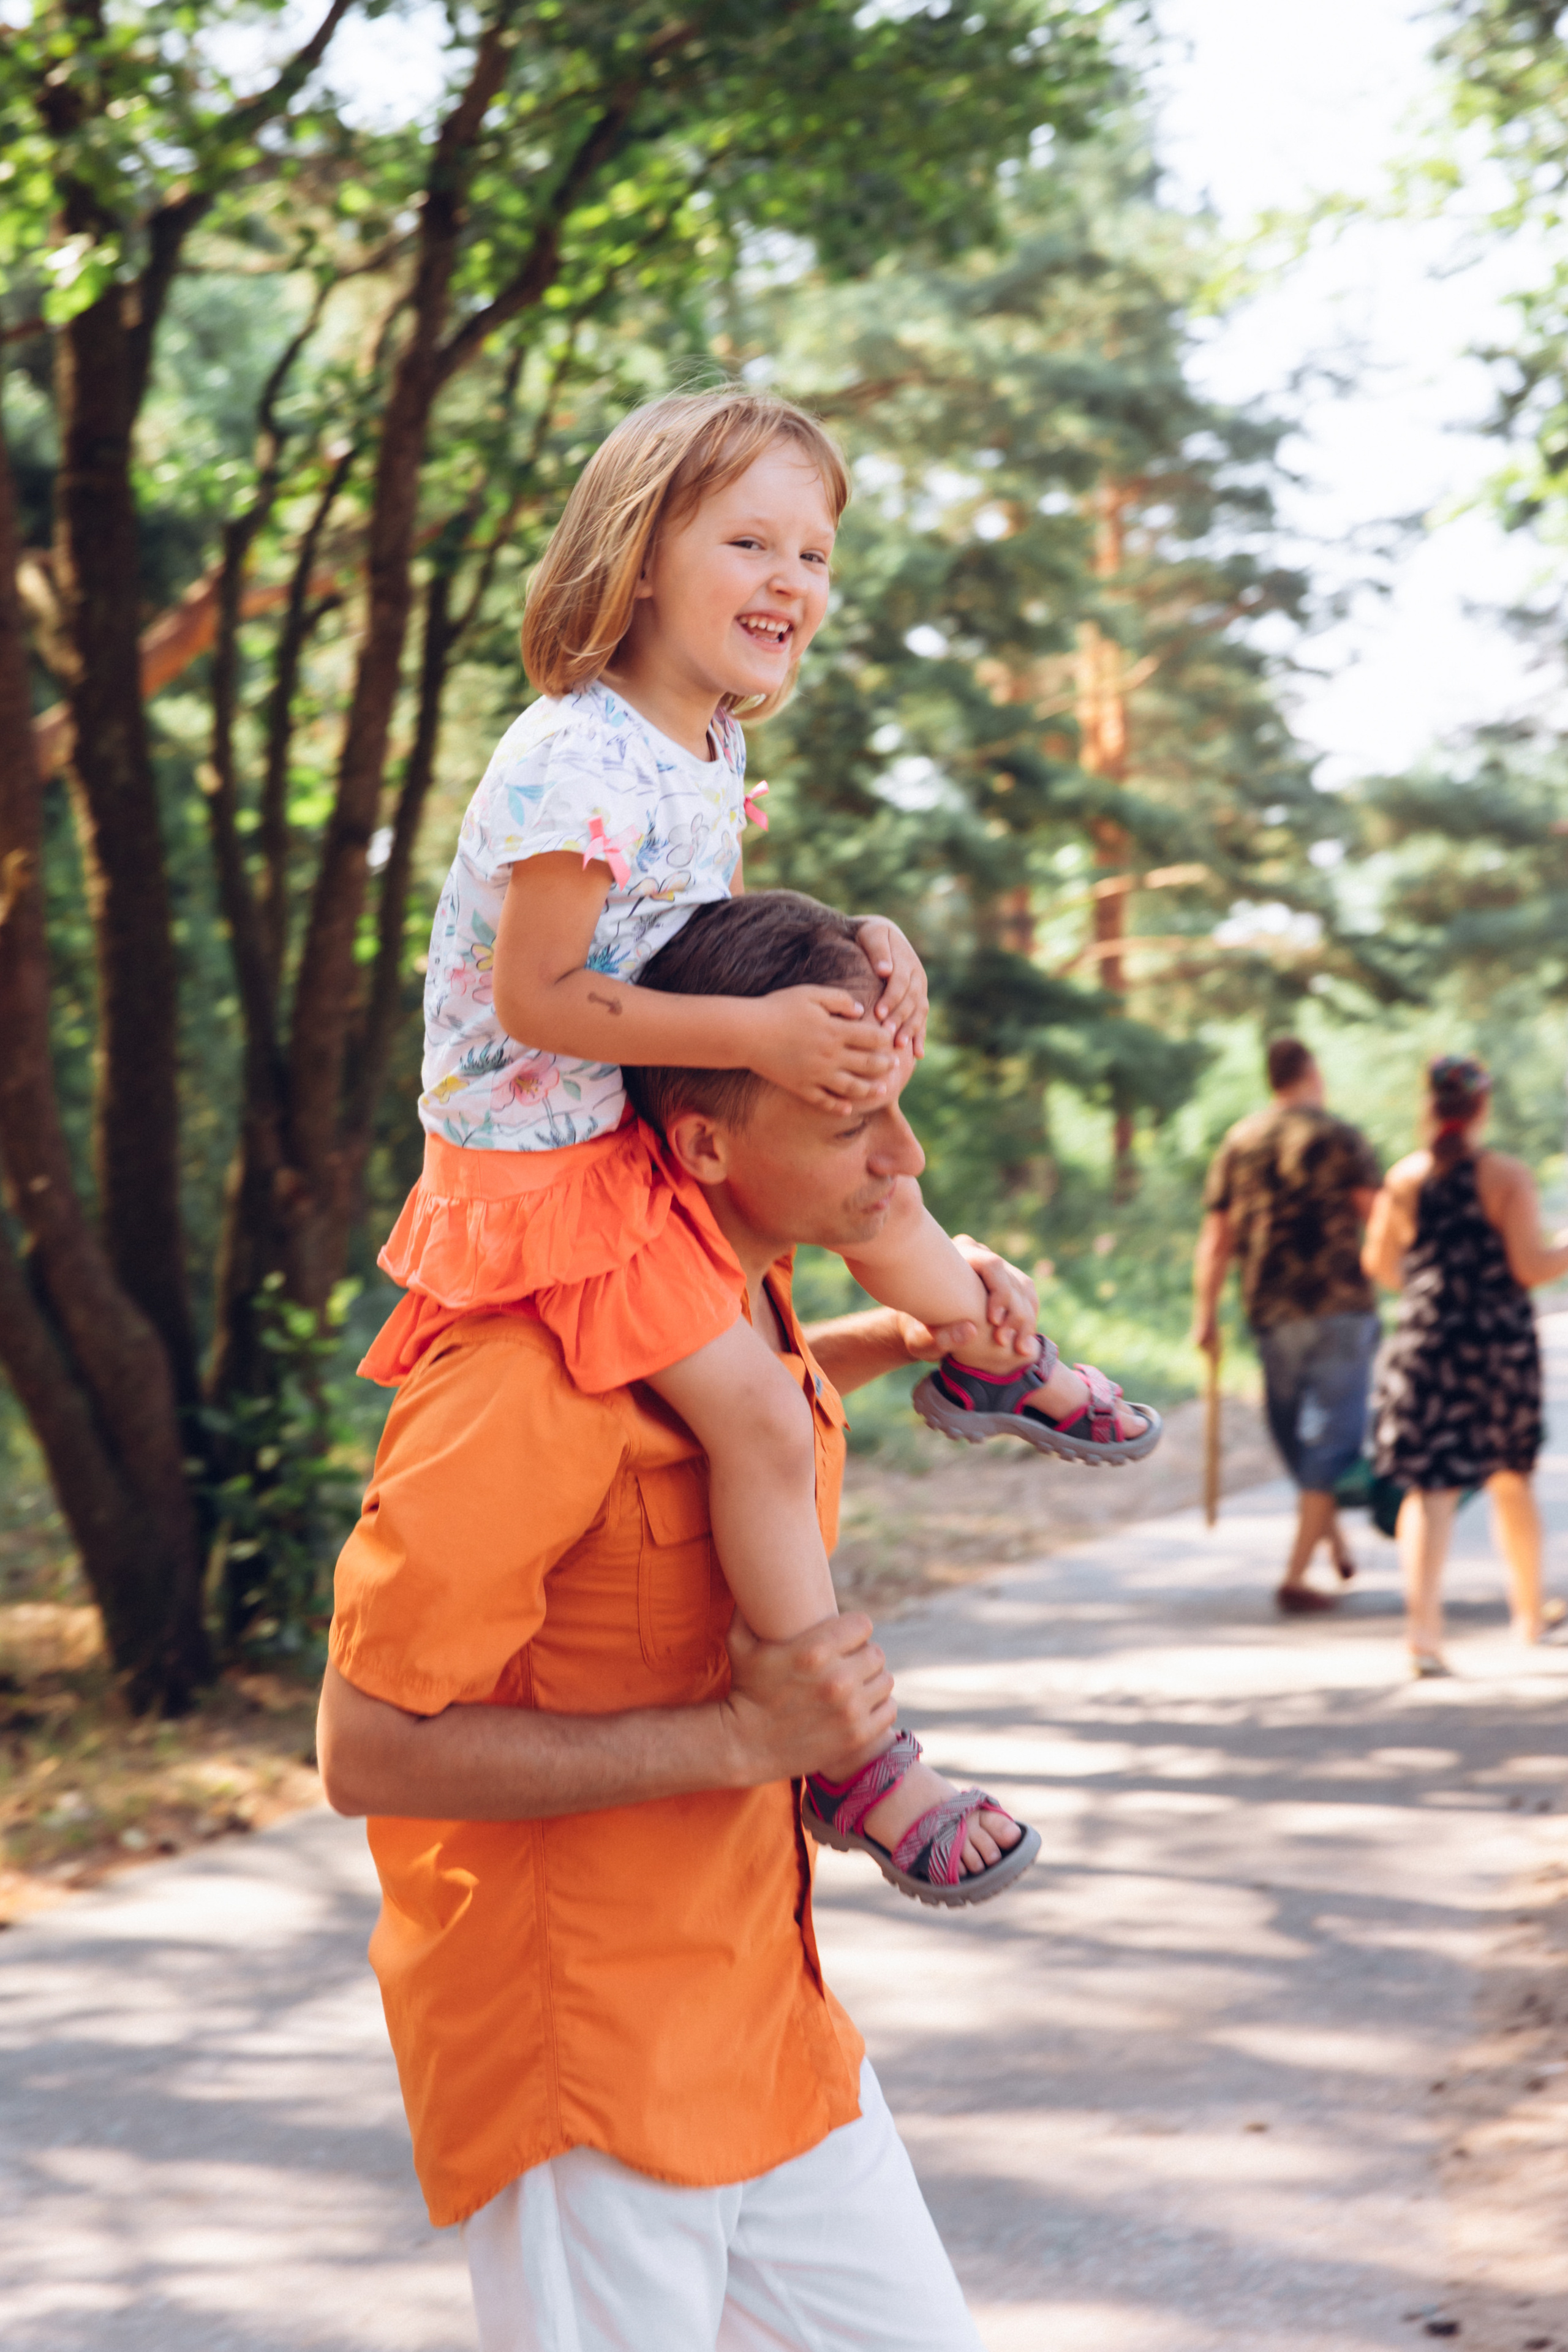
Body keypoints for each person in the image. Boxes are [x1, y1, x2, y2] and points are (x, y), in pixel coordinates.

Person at [362, 384, 1156, 1902]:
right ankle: (847, 1751)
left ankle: (979, 1346)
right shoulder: (571, 757)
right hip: (544, 1164)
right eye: (748, 541)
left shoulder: (701, 739)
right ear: (637, 552)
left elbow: (683, 914)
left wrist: (864, 937)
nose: (791, 578)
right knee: (761, 1425)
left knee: (870, 1164)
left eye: (814, 553)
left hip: (636, 1102)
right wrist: (755, 1037)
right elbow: (539, 996)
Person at [318, 891, 1040, 2351]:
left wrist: (895, 1334)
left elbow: (682, 1447)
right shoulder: (517, 1372)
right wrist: (741, 1740)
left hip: (771, 2026)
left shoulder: (736, 1312)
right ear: (705, 1144)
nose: (902, 1158)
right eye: (850, 1123)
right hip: (586, 2063)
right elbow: (366, 1748)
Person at [1362, 1052, 1568, 1677]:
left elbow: (1379, 1264)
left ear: (1430, 1105)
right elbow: (1531, 1266)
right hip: (1496, 1345)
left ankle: (1422, 1635)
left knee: (1430, 1488)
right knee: (1509, 1478)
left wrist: (1432, 1289)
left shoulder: (1404, 1177)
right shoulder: (1505, 1176)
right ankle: (1529, 1617)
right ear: (1481, 1106)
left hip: (1426, 1341)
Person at [1193, 1036, 1382, 1613]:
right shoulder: (1342, 1135)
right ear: (1312, 1073)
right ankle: (1300, 1574)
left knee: (1292, 1432)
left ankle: (1318, 1542)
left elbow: (1217, 1239)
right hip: (1342, 1305)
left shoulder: (1240, 1141)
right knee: (1334, 1439)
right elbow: (1379, 1218)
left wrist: (1205, 1313)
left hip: (1271, 1309)